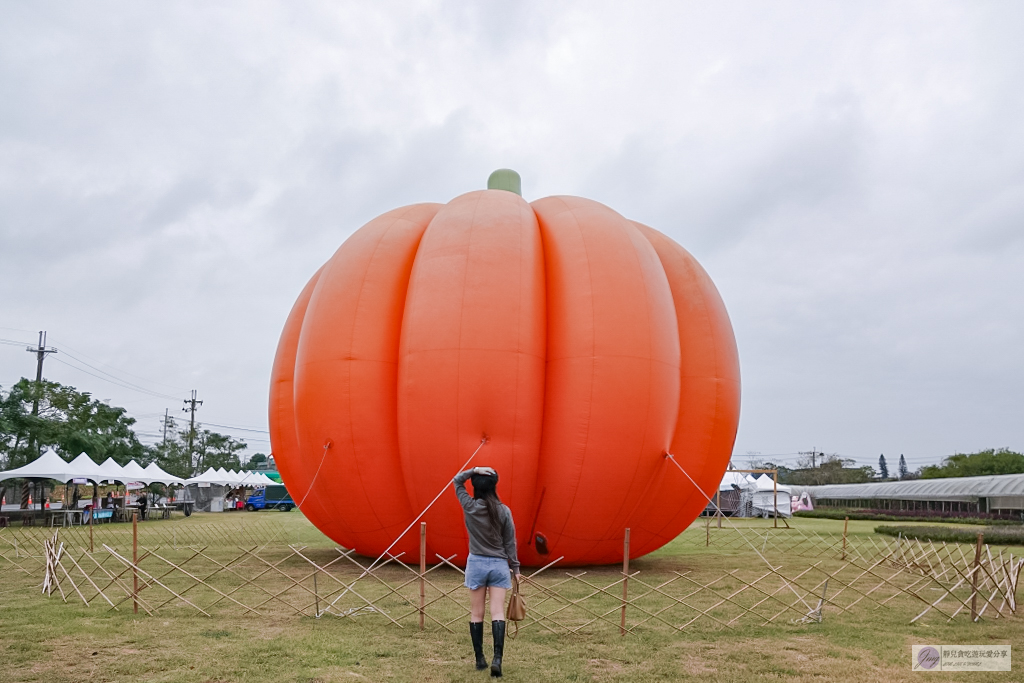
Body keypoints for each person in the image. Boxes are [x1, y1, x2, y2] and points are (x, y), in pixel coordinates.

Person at [452, 466, 519, 678]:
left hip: (476, 564)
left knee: (476, 613)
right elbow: (510, 542)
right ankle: (497, 659)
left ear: (475, 486)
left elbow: (456, 481)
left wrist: (474, 469)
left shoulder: (470, 506)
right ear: (494, 486)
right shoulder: (503, 510)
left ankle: (480, 659)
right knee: (497, 612)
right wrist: (515, 568)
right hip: (499, 565)